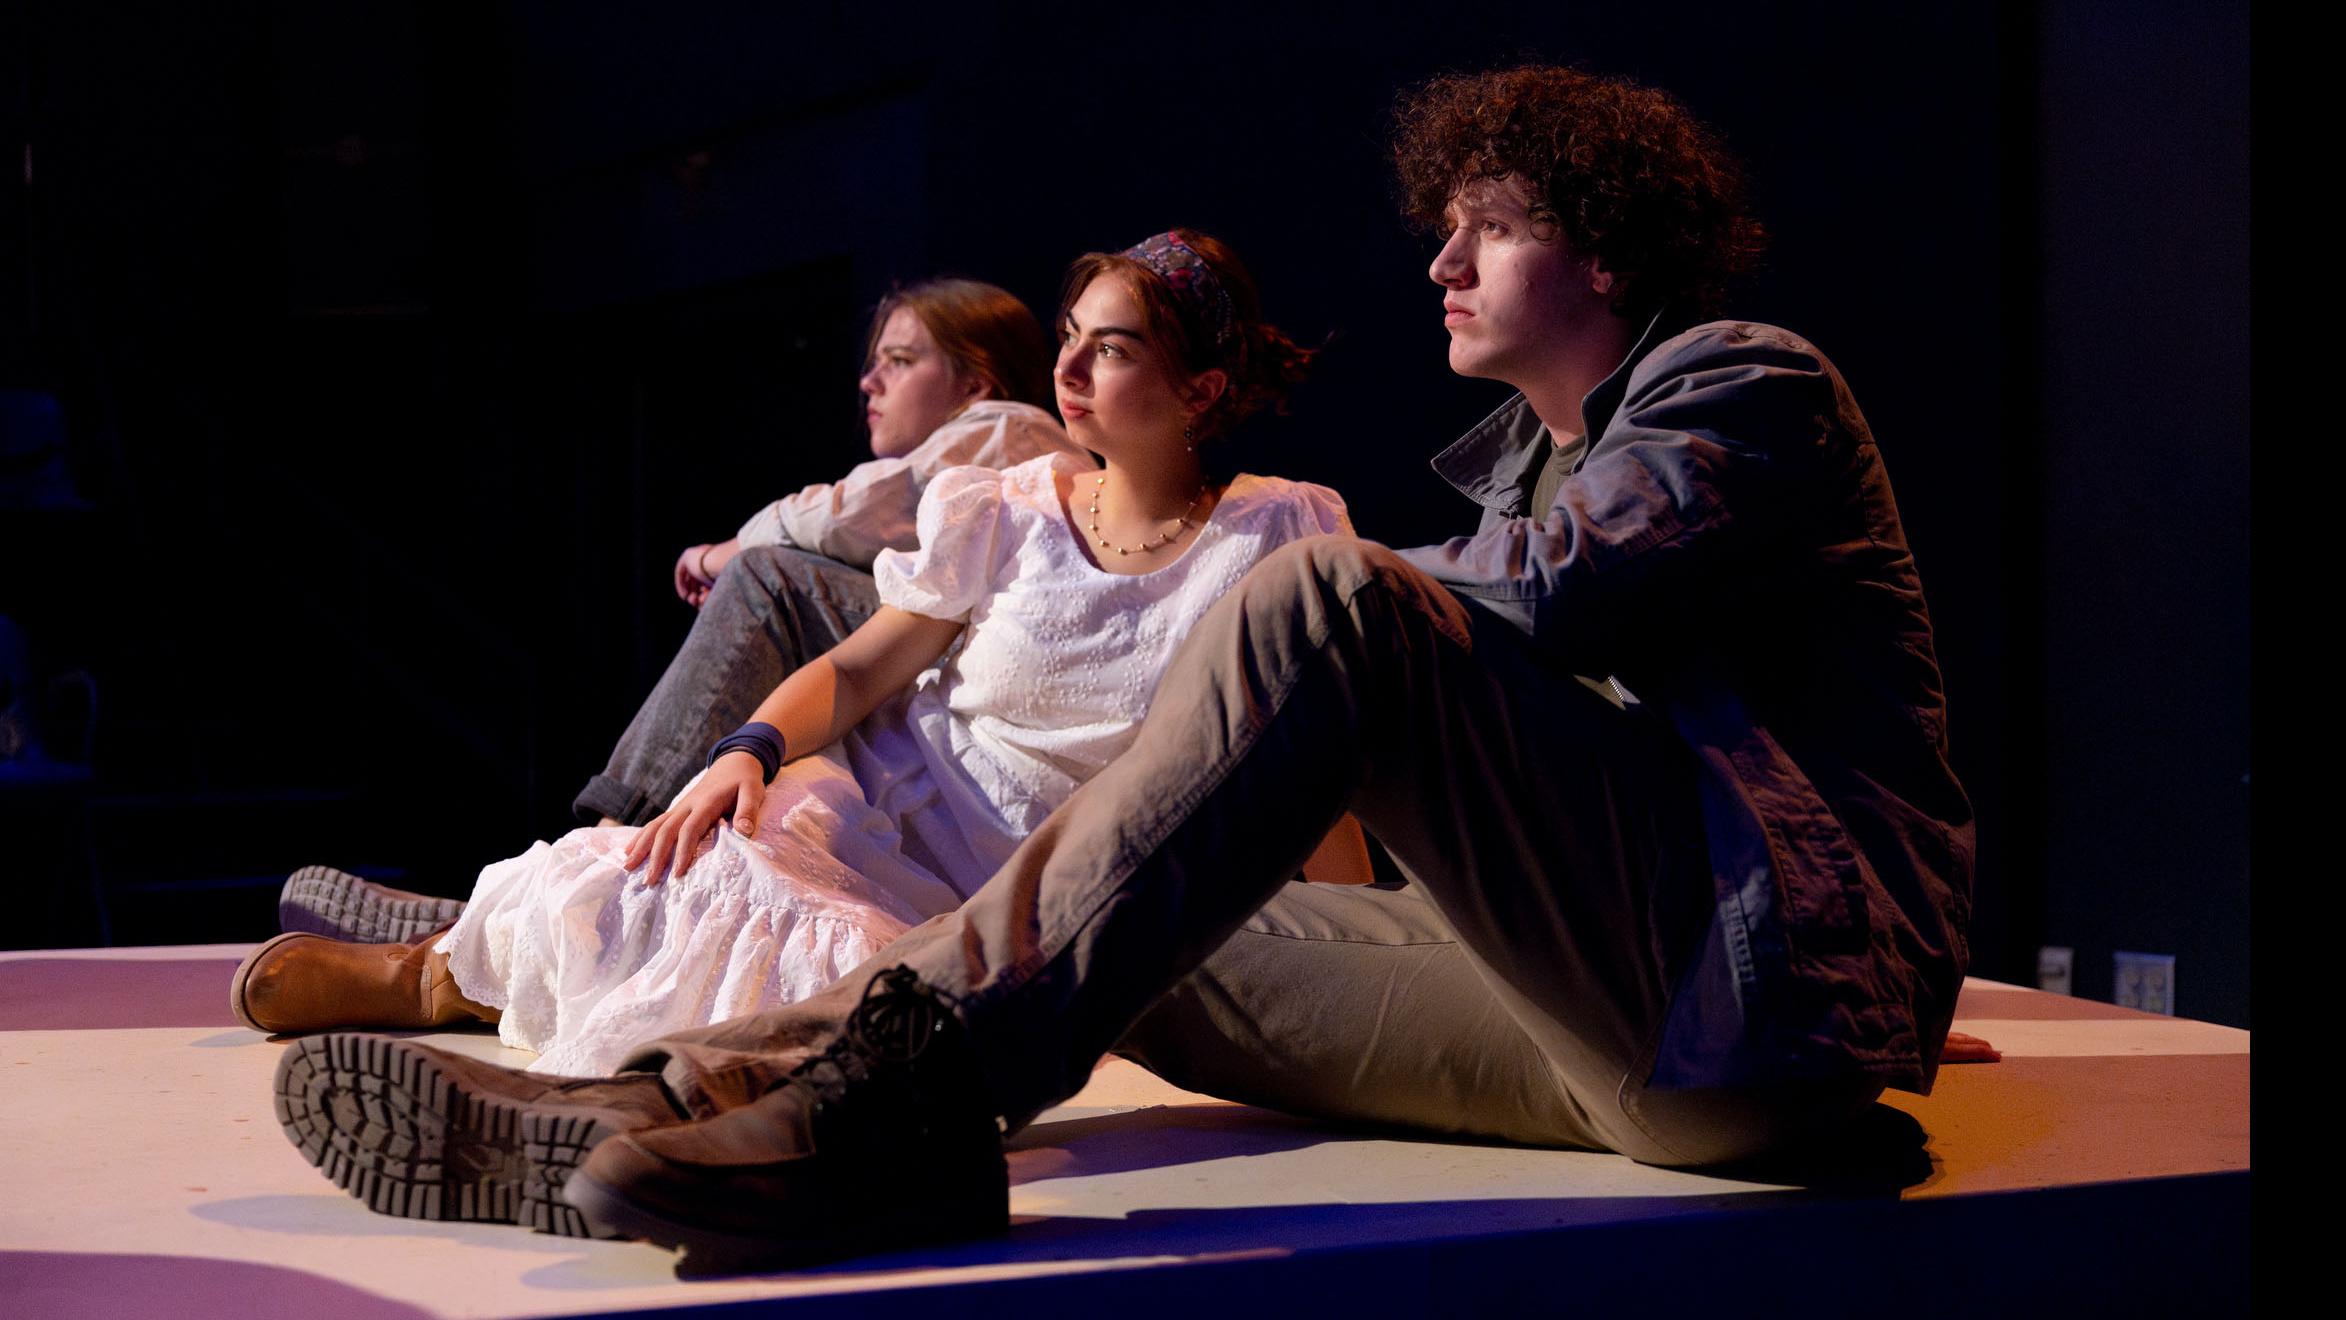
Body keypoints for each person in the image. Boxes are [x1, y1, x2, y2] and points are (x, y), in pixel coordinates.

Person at [273, 65, 1972, 1271]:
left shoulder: (1746, 380)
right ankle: (684, 1096)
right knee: (1129, 909)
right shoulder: (1519, 464)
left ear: (1601, 250)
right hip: (1607, 1020)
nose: (1440, 265)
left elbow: (1561, 601)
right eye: (1440, 233)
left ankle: (867, 1122)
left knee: (1330, 604)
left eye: (1488, 231)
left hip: (1748, 1018)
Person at [241, 229, 1352, 1085]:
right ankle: (443, 977)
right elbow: (866, 668)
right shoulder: (1007, 505)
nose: (1071, 365)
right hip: (883, 810)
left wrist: (1366, 933)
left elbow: (1320, 758)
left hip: (1021, 892)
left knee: (859, 1003)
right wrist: (751, 747)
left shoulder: (1277, 532)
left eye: (1112, 349)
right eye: (1069, 335)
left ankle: (570, 1042)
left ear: (1202, 390)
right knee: (704, 868)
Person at [274, 280, 1084, 949]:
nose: (868, 383)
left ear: (976, 381)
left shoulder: (1008, 431)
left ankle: (572, 868)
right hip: (941, 671)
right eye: (871, 365)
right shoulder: (976, 455)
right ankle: (549, 903)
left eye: (899, 362)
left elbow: (859, 511)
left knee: (772, 581)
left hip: (965, 682)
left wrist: (722, 553)